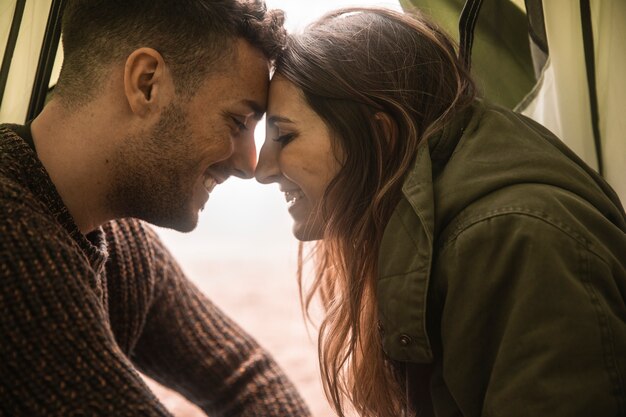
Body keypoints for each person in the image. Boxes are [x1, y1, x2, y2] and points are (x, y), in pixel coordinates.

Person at [255, 7, 626, 417]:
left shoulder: (514, 240)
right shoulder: (434, 231)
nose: (262, 169)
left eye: (284, 136)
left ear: (380, 136)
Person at [0, 0, 311, 415]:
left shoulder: (112, 234)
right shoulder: (13, 241)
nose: (249, 164)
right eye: (238, 122)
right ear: (146, 83)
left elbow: (244, 374)